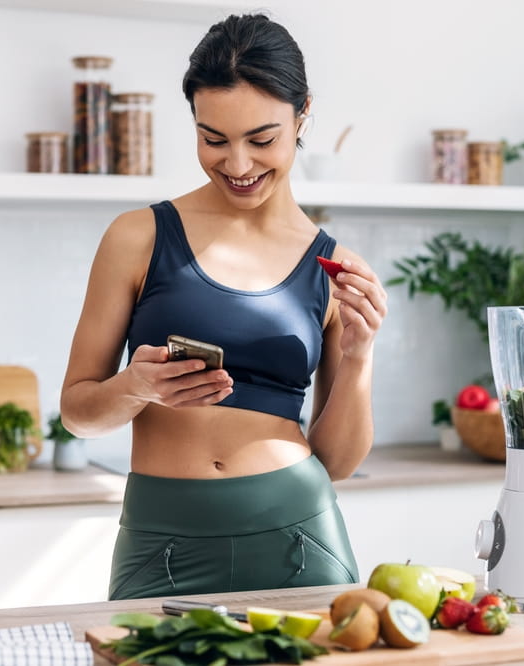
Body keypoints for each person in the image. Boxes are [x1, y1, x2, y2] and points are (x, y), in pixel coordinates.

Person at [60, 12, 388, 601]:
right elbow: (79, 413)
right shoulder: (138, 237)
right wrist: (137, 387)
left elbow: (336, 462)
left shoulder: (333, 267)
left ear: (302, 114)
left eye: (261, 139)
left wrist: (360, 357)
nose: (237, 165)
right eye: (214, 140)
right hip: (162, 542)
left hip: (299, 538)